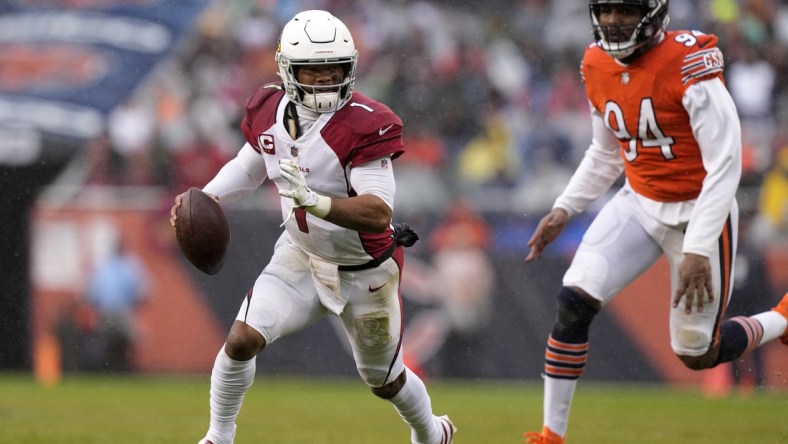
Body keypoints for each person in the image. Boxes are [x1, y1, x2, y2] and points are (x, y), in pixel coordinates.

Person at [170, 10, 455, 444]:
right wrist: (204, 200)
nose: (324, 80)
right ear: (288, 69)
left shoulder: (365, 122)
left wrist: (317, 202)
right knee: (243, 338)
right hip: (301, 255)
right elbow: (249, 169)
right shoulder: (269, 109)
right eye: (313, 70)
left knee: (385, 380)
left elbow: (378, 212)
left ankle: (432, 434)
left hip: (365, 271)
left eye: (333, 70)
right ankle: (218, 437)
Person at [522, 1, 788, 443]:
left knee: (697, 353)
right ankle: (552, 435)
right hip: (640, 203)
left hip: (701, 212)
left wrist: (700, 248)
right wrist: (564, 208)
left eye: (624, 10)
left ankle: (781, 319)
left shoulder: (687, 64)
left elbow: (725, 165)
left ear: (654, 13)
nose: (612, 21)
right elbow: (606, 151)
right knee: (573, 300)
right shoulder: (595, 61)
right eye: (605, 10)